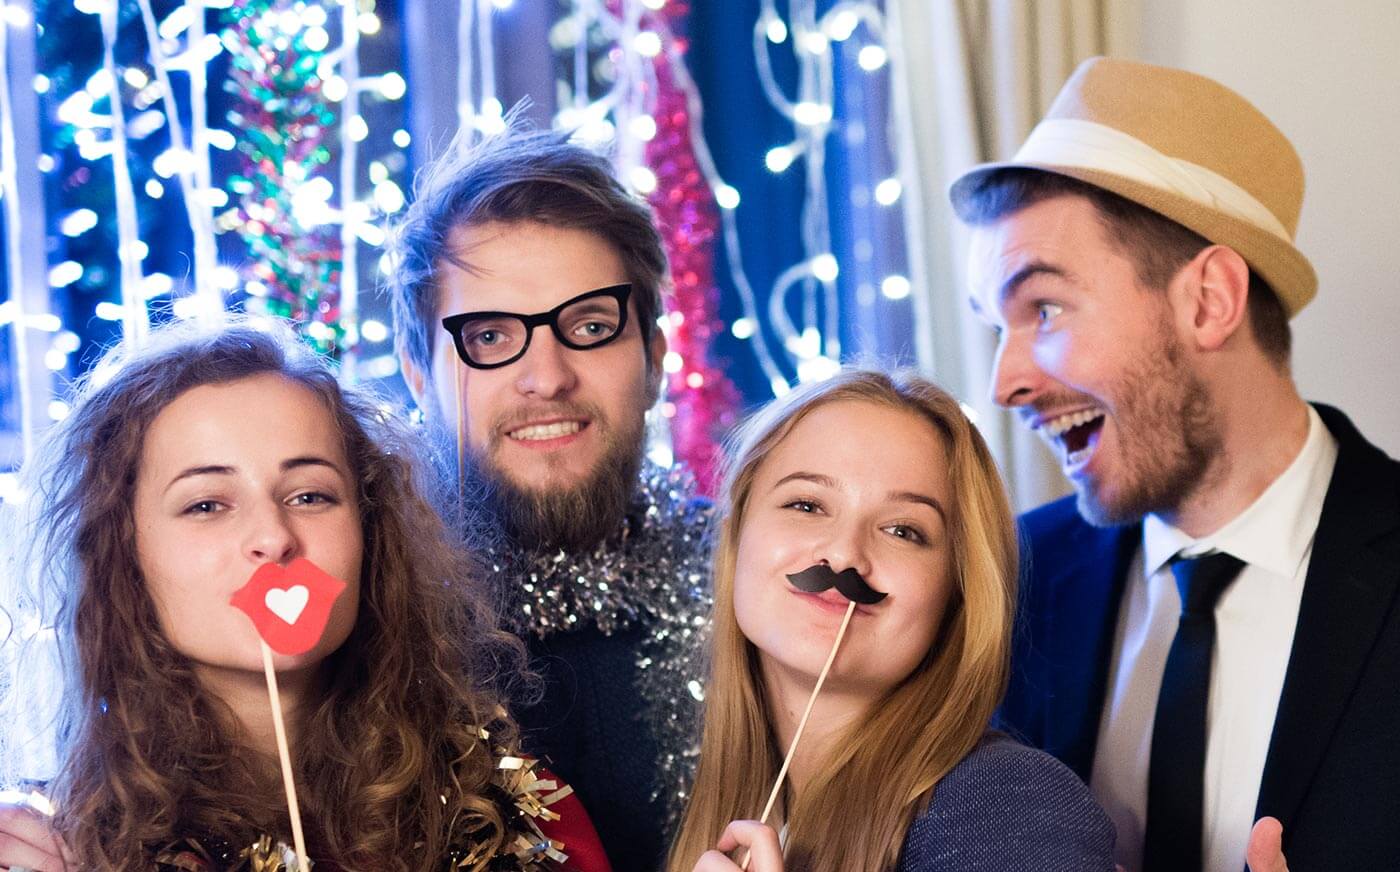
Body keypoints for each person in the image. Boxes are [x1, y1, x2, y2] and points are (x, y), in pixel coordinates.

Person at [950, 57, 1400, 872]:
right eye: (996, 326)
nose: (1004, 384)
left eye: (1043, 308)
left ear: (1209, 301)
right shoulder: (1006, 579)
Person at [0, 318, 610, 871]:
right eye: (206, 504)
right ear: (123, 555)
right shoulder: (58, 854)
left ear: (371, 531)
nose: (272, 536)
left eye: (310, 495)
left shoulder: (520, 820)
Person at [389, 126, 712, 872]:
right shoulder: (362, 631)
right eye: (492, 337)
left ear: (655, 360)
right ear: (417, 372)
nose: (548, 377)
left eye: (591, 327)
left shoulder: (755, 596)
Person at [667, 369, 1116, 872]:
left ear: (958, 592)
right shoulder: (698, 794)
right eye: (807, 504)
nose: (844, 555)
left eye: (903, 531)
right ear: (736, 540)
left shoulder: (1009, 807)